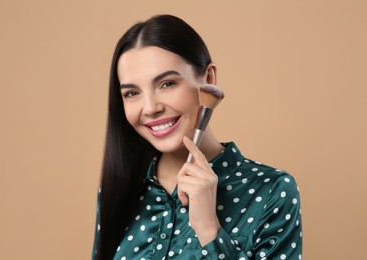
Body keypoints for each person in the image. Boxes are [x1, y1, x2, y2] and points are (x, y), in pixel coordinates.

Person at [92, 14, 302, 260]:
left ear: (209, 79)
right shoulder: (121, 189)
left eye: (167, 84)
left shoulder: (271, 191)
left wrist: (209, 230)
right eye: (132, 93)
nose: (150, 108)